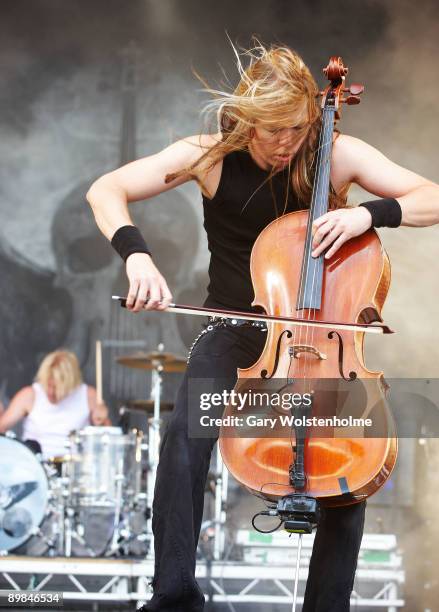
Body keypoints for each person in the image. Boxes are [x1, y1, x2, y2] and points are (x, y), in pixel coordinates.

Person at [86, 43, 439, 612]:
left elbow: (432, 197)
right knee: (184, 438)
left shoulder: (337, 153)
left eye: (297, 128)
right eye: (271, 129)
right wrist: (135, 255)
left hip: (325, 338)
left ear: (310, 111)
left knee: (352, 462)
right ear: (247, 118)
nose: (285, 142)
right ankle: (173, 593)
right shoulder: (208, 157)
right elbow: (106, 190)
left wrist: (367, 213)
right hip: (234, 327)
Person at [0, 349, 110, 459]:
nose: (51, 392)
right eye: (48, 385)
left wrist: (102, 422)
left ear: (72, 383)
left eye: (57, 388)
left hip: (75, 467)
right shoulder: (30, 395)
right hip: (35, 467)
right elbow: (2, 427)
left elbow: (108, 438)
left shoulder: (88, 395)